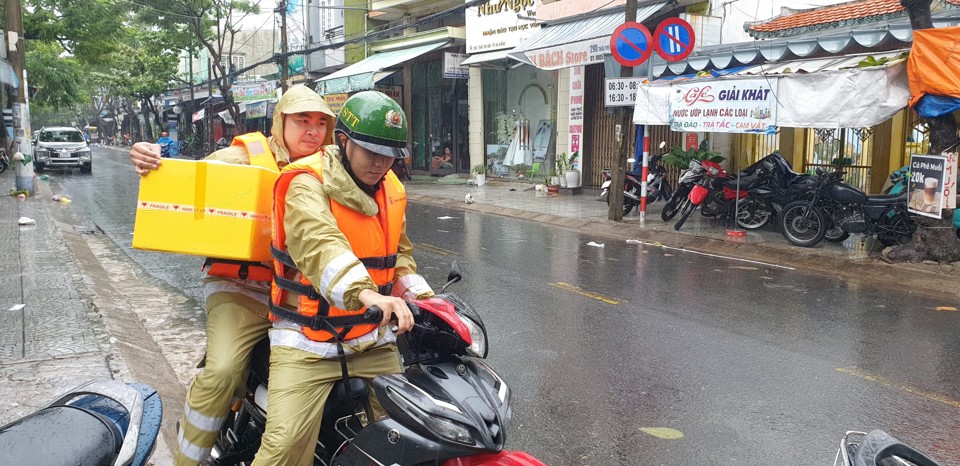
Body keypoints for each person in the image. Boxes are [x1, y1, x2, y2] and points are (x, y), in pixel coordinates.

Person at [129, 85, 336, 466]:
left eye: (321, 123)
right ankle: (187, 459)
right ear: (281, 123)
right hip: (244, 288)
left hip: (302, 296)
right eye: (302, 121)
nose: (312, 130)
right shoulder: (245, 156)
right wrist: (151, 157)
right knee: (223, 371)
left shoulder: (333, 167)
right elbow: (194, 176)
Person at [253, 90, 434, 466]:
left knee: (412, 437)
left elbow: (398, 257)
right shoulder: (305, 182)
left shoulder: (393, 190)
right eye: (371, 151)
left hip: (372, 340)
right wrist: (367, 295)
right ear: (344, 141)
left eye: (389, 155)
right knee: (284, 447)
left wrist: (426, 300)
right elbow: (321, 246)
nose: (380, 163)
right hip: (307, 341)